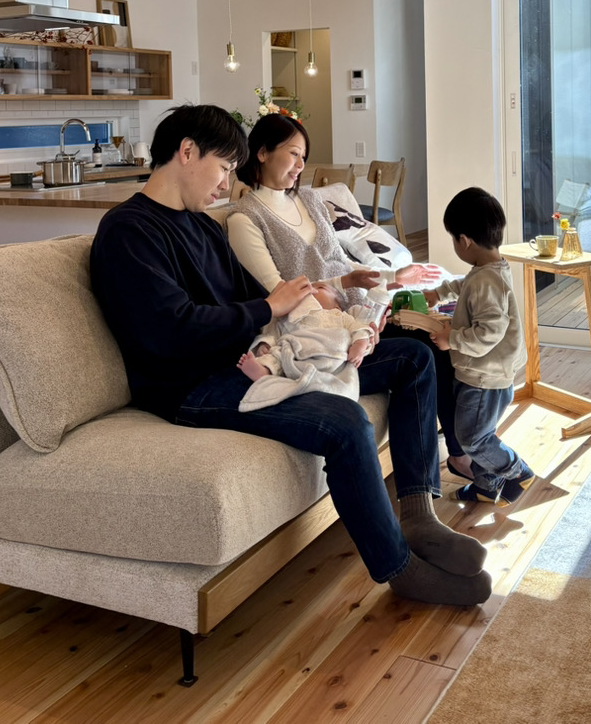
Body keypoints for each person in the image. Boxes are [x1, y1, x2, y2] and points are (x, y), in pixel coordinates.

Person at [90, 104, 490, 606]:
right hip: (192, 386)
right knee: (345, 422)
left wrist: (348, 330)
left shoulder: (202, 226)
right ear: (187, 152)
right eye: (224, 168)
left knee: (412, 358)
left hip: (257, 360)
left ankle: (418, 517)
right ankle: (400, 570)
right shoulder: (129, 230)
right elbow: (170, 330)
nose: (226, 184)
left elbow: (259, 303)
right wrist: (269, 307)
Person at [226, 113, 472, 477]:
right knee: (417, 355)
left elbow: (343, 264)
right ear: (262, 153)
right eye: (293, 153)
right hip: (319, 336)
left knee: (434, 337)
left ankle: (461, 452)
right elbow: (282, 293)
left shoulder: (310, 199)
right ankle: (436, 476)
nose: (300, 165)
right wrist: (355, 310)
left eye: (304, 156)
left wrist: (388, 284)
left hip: (354, 314)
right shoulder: (244, 219)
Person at [427, 187, 535, 506]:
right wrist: (440, 292)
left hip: (485, 379)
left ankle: (517, 471)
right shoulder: (488, 270)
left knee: (473, 439)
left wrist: (452, 338)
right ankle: (486, 487)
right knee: (479, 433)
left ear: (464, 241)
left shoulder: (489, 282)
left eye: (453, 239)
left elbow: (490, 332)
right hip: (483, 374)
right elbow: (466, 284)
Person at [236, 282, 379, 409]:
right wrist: (264, 345)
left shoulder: (340, 317)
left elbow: (360, 329)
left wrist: (359, 345)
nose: (310, 289)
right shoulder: (289, 317)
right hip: (294, 355)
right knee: (277, 353)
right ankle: (264, 372)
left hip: (330, 356)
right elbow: (272, 332)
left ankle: (323, 386)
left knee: (343, 345)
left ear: (337, 307)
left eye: (320, 287)